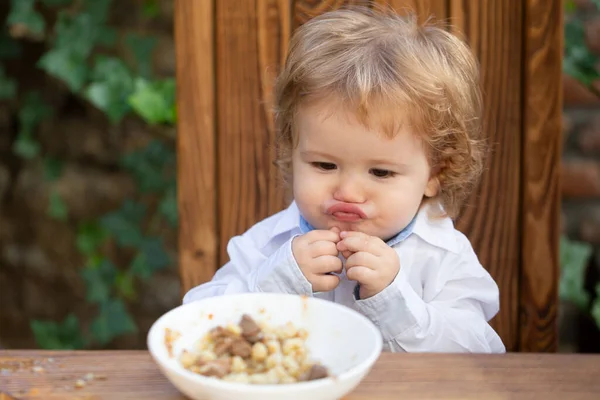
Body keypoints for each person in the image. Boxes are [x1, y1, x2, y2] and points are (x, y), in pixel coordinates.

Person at [183, 6, 506, 353]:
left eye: (381, 172)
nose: (348, 192)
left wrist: (393, 301)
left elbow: (480, 356)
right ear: (293, 152)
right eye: (324, 165)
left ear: (435, 173)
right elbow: (194, 329)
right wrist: (275, 285)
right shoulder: (269, 246)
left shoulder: (444, 258)